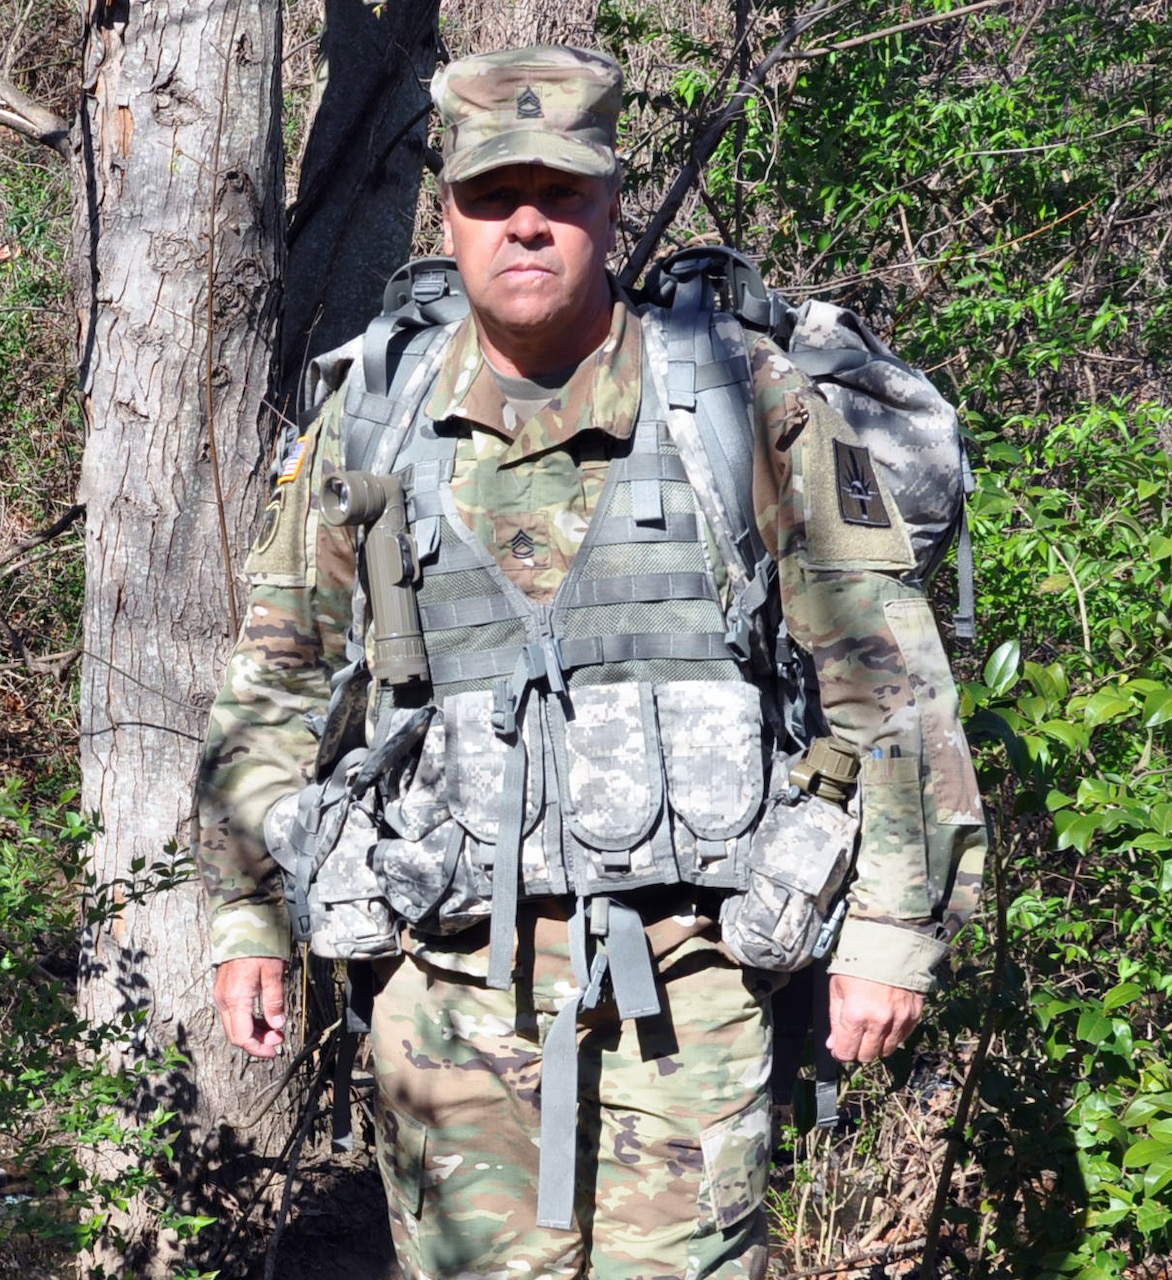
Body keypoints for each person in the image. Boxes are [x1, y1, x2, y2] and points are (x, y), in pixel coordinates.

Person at [195, 44, 985, 1280]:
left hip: (693, 976)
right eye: (491, 196)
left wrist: (888, 932)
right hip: (441, 983)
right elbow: (280, 672)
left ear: (610, 205)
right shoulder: (375, 408)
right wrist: (245, 910)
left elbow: (884, 671)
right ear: (445, 215)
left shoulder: (733, 391)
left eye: (560, 194)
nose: (526, 225)